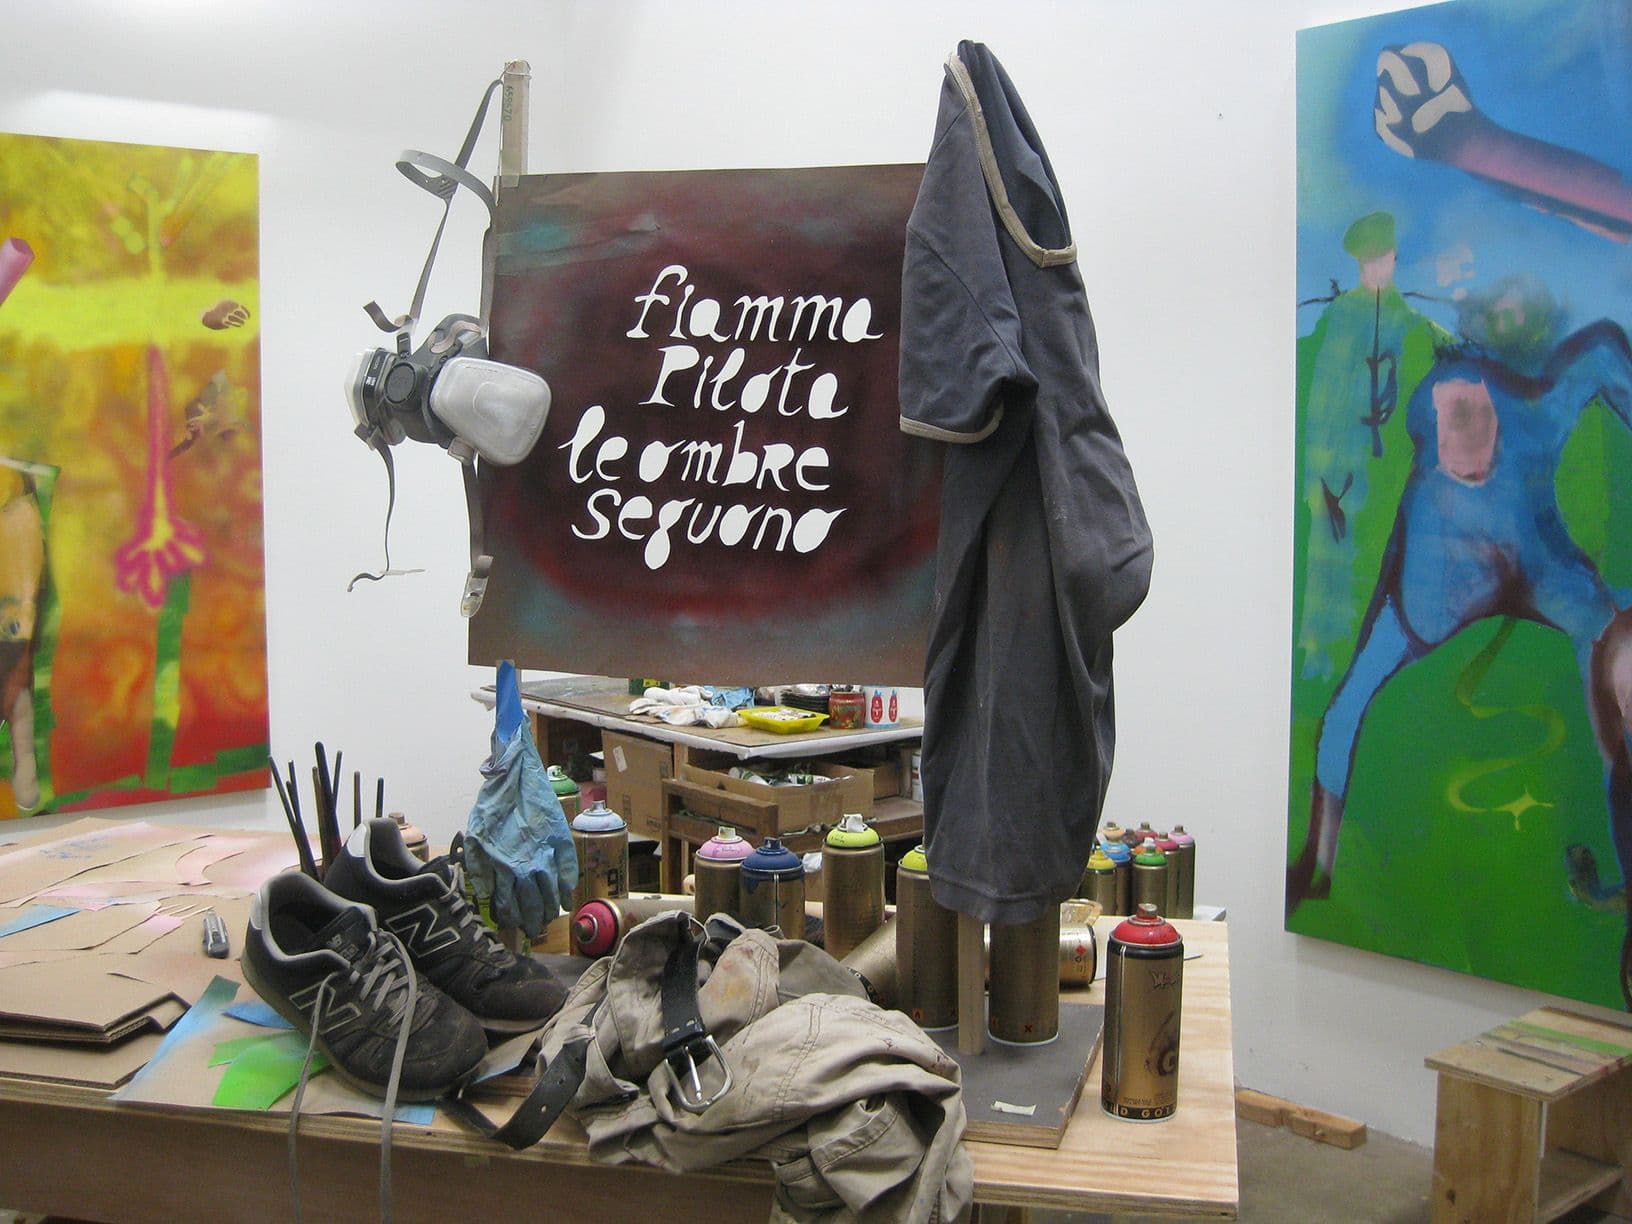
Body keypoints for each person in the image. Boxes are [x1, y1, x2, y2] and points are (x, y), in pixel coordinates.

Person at [1287, 317, 1632, 1001]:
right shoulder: (1428, 515)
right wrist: (1315, 861)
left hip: (1545, 572)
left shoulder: (1536, 415)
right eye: (1446, 417)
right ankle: (1318, 867)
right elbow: (1353, 689)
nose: (1464, 435)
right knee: (1350, 703)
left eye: (1473, 409)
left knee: (1616, 658)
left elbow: (1598, 352)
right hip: (1443, 591)